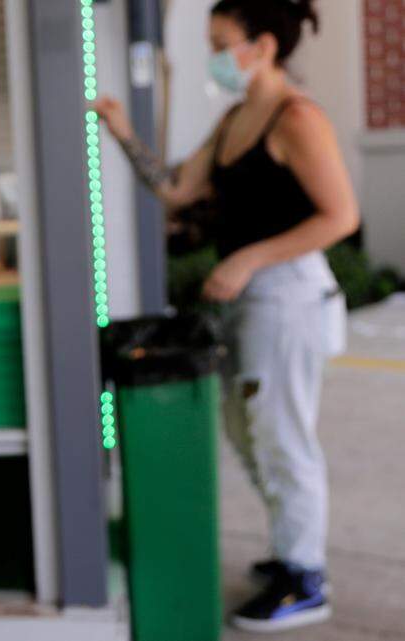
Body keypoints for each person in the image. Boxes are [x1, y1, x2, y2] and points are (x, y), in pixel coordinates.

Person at [94, 0, 358, 633]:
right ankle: (288, 552)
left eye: (222, 42)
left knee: (283, 438)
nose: (213, 56)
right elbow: (176, 190)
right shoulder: (237, 118)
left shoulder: (298, 117)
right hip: (249, 300)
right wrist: (121, 129)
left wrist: (247, 260)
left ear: (263, 46)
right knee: (248, 431)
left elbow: (340, 216)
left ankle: (305, 578)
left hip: (288, 295)